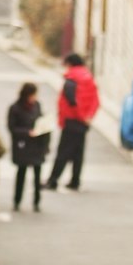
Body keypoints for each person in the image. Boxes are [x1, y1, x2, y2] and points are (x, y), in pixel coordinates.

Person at [44, 52, 100, 192]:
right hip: (84, 122)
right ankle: (75, 180)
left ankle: (53, 180)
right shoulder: (89, 78)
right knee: (78, 153)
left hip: (72, 120)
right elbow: (96, 101)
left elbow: (72, 102)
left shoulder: (72, 79)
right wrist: (88, 117)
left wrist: (81, 116)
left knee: (63, 151)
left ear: (70, 64)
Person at [7, 82, 50, 211]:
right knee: (21, 174)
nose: (34, 98)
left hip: (37, 146)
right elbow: (12, 128)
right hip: (23, 146)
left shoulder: (37, 105)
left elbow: (42, 121)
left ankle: (37, 202)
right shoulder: (15, 108)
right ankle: (17, 200)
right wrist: (27, 133)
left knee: (37, 175)